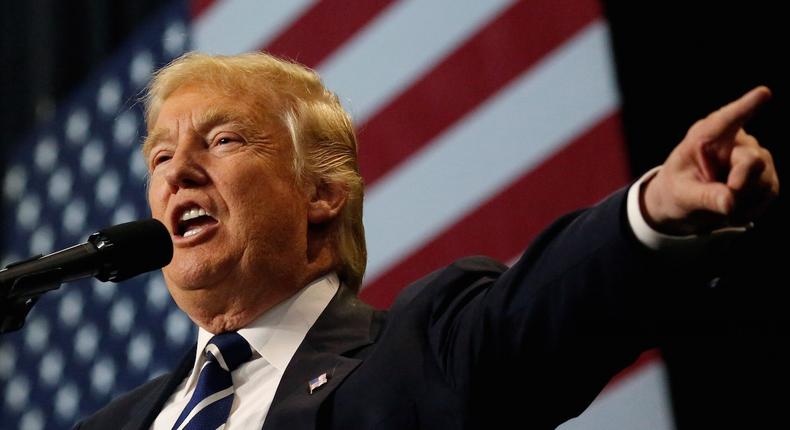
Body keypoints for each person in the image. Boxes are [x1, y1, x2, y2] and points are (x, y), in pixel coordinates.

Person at [74, 51, 779, 429]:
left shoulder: (419, 353)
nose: (178, 173)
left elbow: (540, 313)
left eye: (222, 139)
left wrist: (656, 211)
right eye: (160, 159)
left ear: (322, 193)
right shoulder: (109, 427)